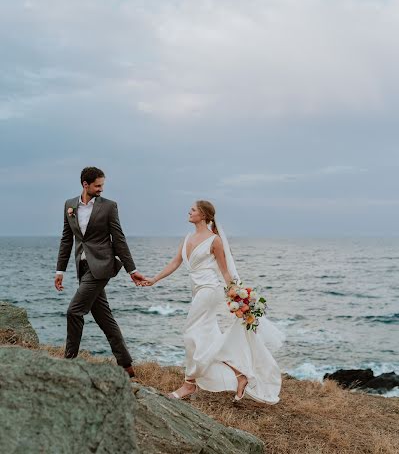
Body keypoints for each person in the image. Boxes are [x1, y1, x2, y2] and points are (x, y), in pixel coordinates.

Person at [143, 200, 283, 402]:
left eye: (193, 209)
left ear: (203, 215)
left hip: (210, 290)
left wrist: (237, 295)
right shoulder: (187, 237)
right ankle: (239, 374)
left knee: (190, 333)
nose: (189, 212)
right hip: (197, 290)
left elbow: (225, 271)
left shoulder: (214, 240)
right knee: (205, 339)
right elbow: (175, 262)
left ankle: (188, 385)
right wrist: (154, 279)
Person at [54, 166, 147, 377]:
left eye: (102, 185)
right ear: (85, 185)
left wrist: (132, 270)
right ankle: (126, 366)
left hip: (102, 267)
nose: (101, 189)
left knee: (74, 311)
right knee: (104, 318)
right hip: (83, 267)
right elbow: (67, 239)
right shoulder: (69, 205)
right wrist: (60, 270)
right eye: (97, 185)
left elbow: (119, 239)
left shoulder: (109, 207)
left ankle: (69, 363)